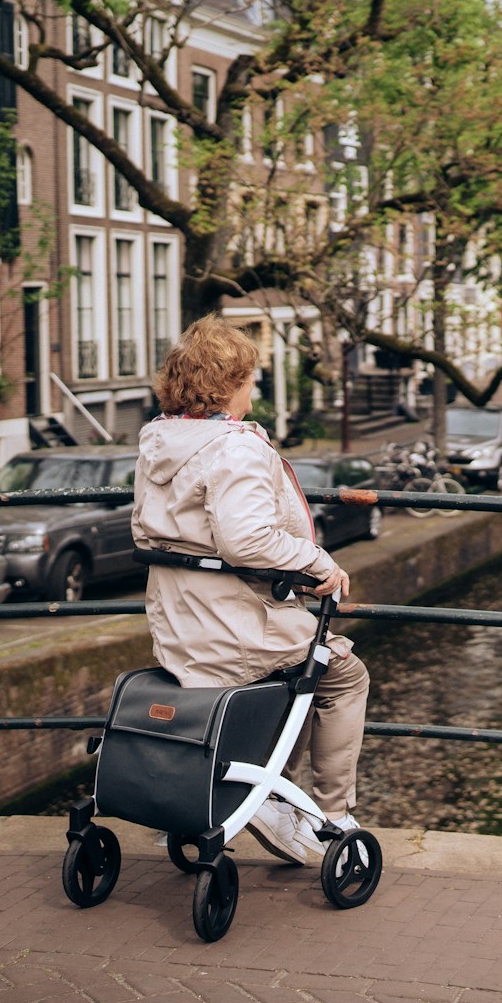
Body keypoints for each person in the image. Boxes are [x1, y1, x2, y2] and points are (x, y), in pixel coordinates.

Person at [133, 316, 372, 866]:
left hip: (178, 630)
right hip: (234, 630)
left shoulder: (158, 442)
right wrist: (316, 562)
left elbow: (149, 533)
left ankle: (267, 788)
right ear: (230, 383)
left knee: (298, 677)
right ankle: (329, 815)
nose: (253, 389)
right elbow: (247, 538)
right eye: (250, 378)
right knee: (340, 671)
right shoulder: (235, 448)